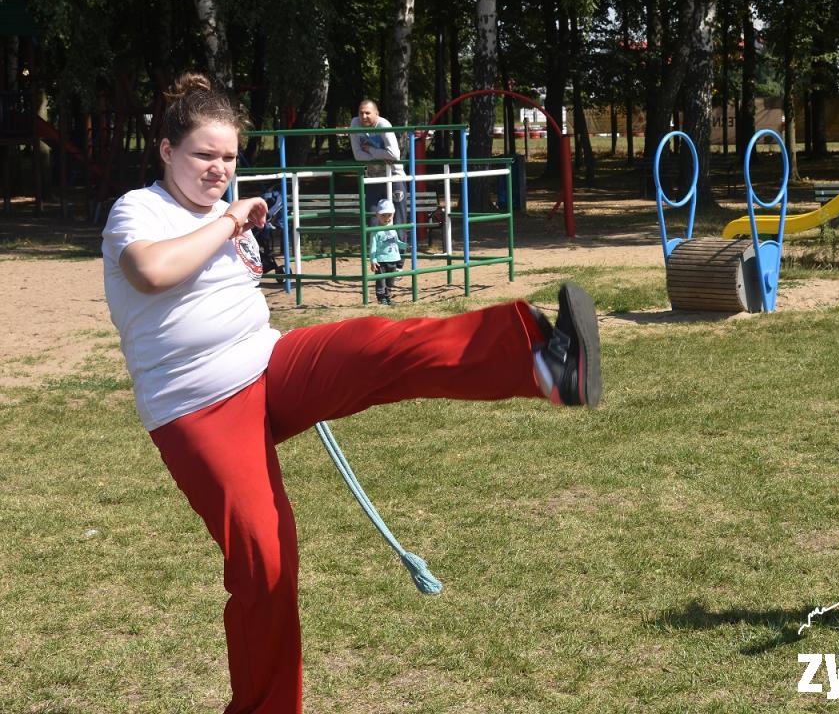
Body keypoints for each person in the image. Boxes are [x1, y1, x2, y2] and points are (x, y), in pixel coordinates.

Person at [101, 73, 602, 713]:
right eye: (203, 155)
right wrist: (229, 220)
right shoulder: (137, 210)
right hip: (196, 411)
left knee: (375, 344)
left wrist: (234, 228)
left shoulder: (226, 219)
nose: (218, 169)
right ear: (167, 151)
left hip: (266, 365)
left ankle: (540, 362)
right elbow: (151, 272)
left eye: (228, 157)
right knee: (267, 569)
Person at [349, 99, 407, 216]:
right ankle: (373, 235)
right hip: (373, 176)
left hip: (394, 174)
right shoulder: (355, 123)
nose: (364, 116)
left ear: (377, 113)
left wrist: (370, 150)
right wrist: (381, 157)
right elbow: (358, 155)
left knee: (398, 216)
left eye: (367, 113)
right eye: (361, 113)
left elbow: (394, 154)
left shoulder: (383, 125)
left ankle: (400, 235)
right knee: (372, 217)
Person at [370, 197, 405, 305]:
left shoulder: (393, 229)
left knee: (391, 279)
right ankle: (381, 298)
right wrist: (373, 259)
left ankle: (388, 296)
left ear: (393, 215)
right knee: (381, 280)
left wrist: (404, 245)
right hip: (381, 260)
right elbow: (373, 246)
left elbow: (396, 241)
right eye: (383, 215)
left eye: (389, 215)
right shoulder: (376, 231)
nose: (386, 218)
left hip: (393, 258)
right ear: (377, 215)